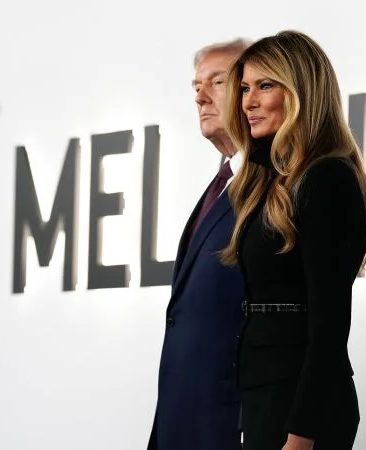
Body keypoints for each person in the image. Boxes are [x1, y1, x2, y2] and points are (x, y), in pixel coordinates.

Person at [219, 30, 366, 450]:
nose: (248, 102)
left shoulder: (327, 179)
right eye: (244, 89)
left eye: (265, 86)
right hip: (266, 397)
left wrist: (301, 436)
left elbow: (329, 324)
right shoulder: (265, 183)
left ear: (301, 93)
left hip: (303, 409)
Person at [148, 38, 249, 450]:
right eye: (196, 86)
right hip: (181, 421)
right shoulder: (220, 184)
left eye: (217, 82)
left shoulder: (273, 188)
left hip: (232, 425)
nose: (200, 97)